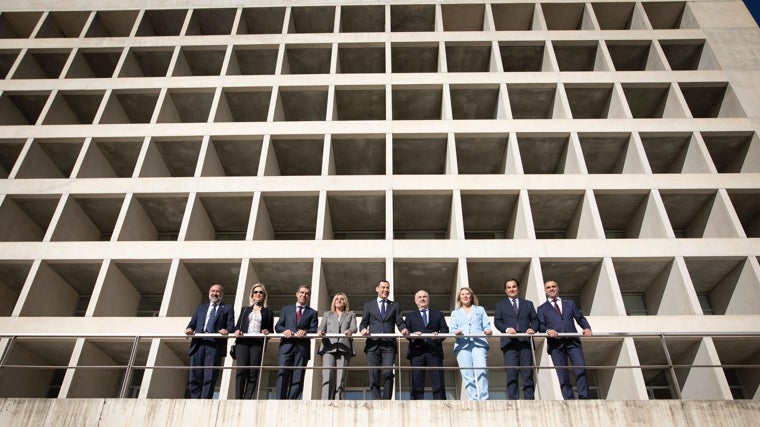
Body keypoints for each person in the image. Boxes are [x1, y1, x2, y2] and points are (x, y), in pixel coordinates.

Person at [536, 279, 593, 400]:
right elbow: (540, 325)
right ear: (545, 291)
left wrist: (587, 328)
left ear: (558, 288)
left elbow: (580, 318)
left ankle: (584, 398)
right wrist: (548, 331)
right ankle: (569, 399)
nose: (551, 289)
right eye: (548, 287)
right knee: (562, 375)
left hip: (573, 342)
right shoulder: (541, 308)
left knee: (580, 369)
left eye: (553, 286)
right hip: (555, 345)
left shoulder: (570, 303)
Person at [359, 280, 409, 399]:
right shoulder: (368, 305)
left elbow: (399, 321)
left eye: (387, 288)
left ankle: (386, 400)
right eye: (383, 287)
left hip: (389, 345)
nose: (385, 290)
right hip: (373, 344)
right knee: (374, 374)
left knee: (387, 372)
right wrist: (362, 330)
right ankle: (376, 400)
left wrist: (403, 329)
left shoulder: (395, 305)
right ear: (377, 289)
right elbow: (363, 323)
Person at [184, 283, 235, 399]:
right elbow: (192, 324)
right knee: (195, 374)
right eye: (213, 291)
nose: (215, 293)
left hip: (214, 345)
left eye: (218, 291)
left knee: (210, 375)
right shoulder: (201, 308)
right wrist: (189, 329)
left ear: (222, 294)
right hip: (198, 343)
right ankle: (194, 399)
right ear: (209, 293)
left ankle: (206, 399)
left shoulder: (227, 308)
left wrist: (226, 330)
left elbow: (231, 326)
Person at [494, 278, 538, 400]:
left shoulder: (528, 304)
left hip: (525, 342)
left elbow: (535, 320)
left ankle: (530, 399)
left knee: (527, 372)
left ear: (518, 289)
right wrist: (507, 329)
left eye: (514, 287)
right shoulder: (500, 305)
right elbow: (497, 322)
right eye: (509, 287)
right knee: (511, 372)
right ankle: (513, 400)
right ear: (505, 290)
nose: (512, 289)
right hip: (509, 343)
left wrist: (532, 329)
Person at [274, 285, 318, 399]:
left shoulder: (312, 312)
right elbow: (278, 326)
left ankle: (293, 401)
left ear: (309, 296)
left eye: (307, 293)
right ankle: (279, 400)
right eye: (302, 292)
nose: (304, 295)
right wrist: (285, 330)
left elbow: (314, 329)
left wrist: (305, 331)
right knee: (282, 374)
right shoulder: (286, 309)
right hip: (286, 347)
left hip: (302, 348)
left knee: (298, 376)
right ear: (297, 294)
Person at [404, 290, 449, 400]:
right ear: (415, 301)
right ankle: (416, 403)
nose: (422, 299)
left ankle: (441, 402)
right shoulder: (410, 316)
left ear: (428, 299)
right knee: (417, 378)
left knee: (437, 378)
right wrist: (413, 335)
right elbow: (406, 332)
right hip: (417, 350)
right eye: (419, 297)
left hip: (434, 349)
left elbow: (445, 329)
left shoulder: (438, 314)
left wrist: (438, 336)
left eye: (424, 297)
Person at [450, 287, 492, 400]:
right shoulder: (455, 313)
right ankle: (472, 399)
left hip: (478, 343)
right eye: (462, 294)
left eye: (467, 294)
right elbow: (452, 329)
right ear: (459, 298)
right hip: (462, 345)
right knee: (467, 373)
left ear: (471, 296)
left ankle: (484, 398)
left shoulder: (480, 309)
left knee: (481, 370)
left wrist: (488, 330)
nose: (465, 296)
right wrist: (456, 332)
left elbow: (487, 325)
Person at [233, 283, 274, 399]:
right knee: (241, 371)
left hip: (257, 343)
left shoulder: (268, 312)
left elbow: (270, 330)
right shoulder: (245, 309)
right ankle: (238, 398)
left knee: (253, 372)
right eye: (256, 292)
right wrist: (237, 331)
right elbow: (237, 326)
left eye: (261, 292)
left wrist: (267, 332)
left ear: (264, 295)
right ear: (252, 295)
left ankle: (247, 398)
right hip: (243, 342)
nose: (258, 294)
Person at [317, 292, 357, 400]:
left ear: (345, 302)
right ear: (334, 302)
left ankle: (339, 401)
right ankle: (325, 401)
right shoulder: (327, 314)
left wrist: (350, 331)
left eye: (342, 299)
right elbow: (321, 327)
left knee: (341, 377)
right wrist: (320, 331)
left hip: (344, 346)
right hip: (329, 347)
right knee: (327, 375)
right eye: (337, 299)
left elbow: (354, 327)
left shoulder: (351, 314)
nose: (339, 300)